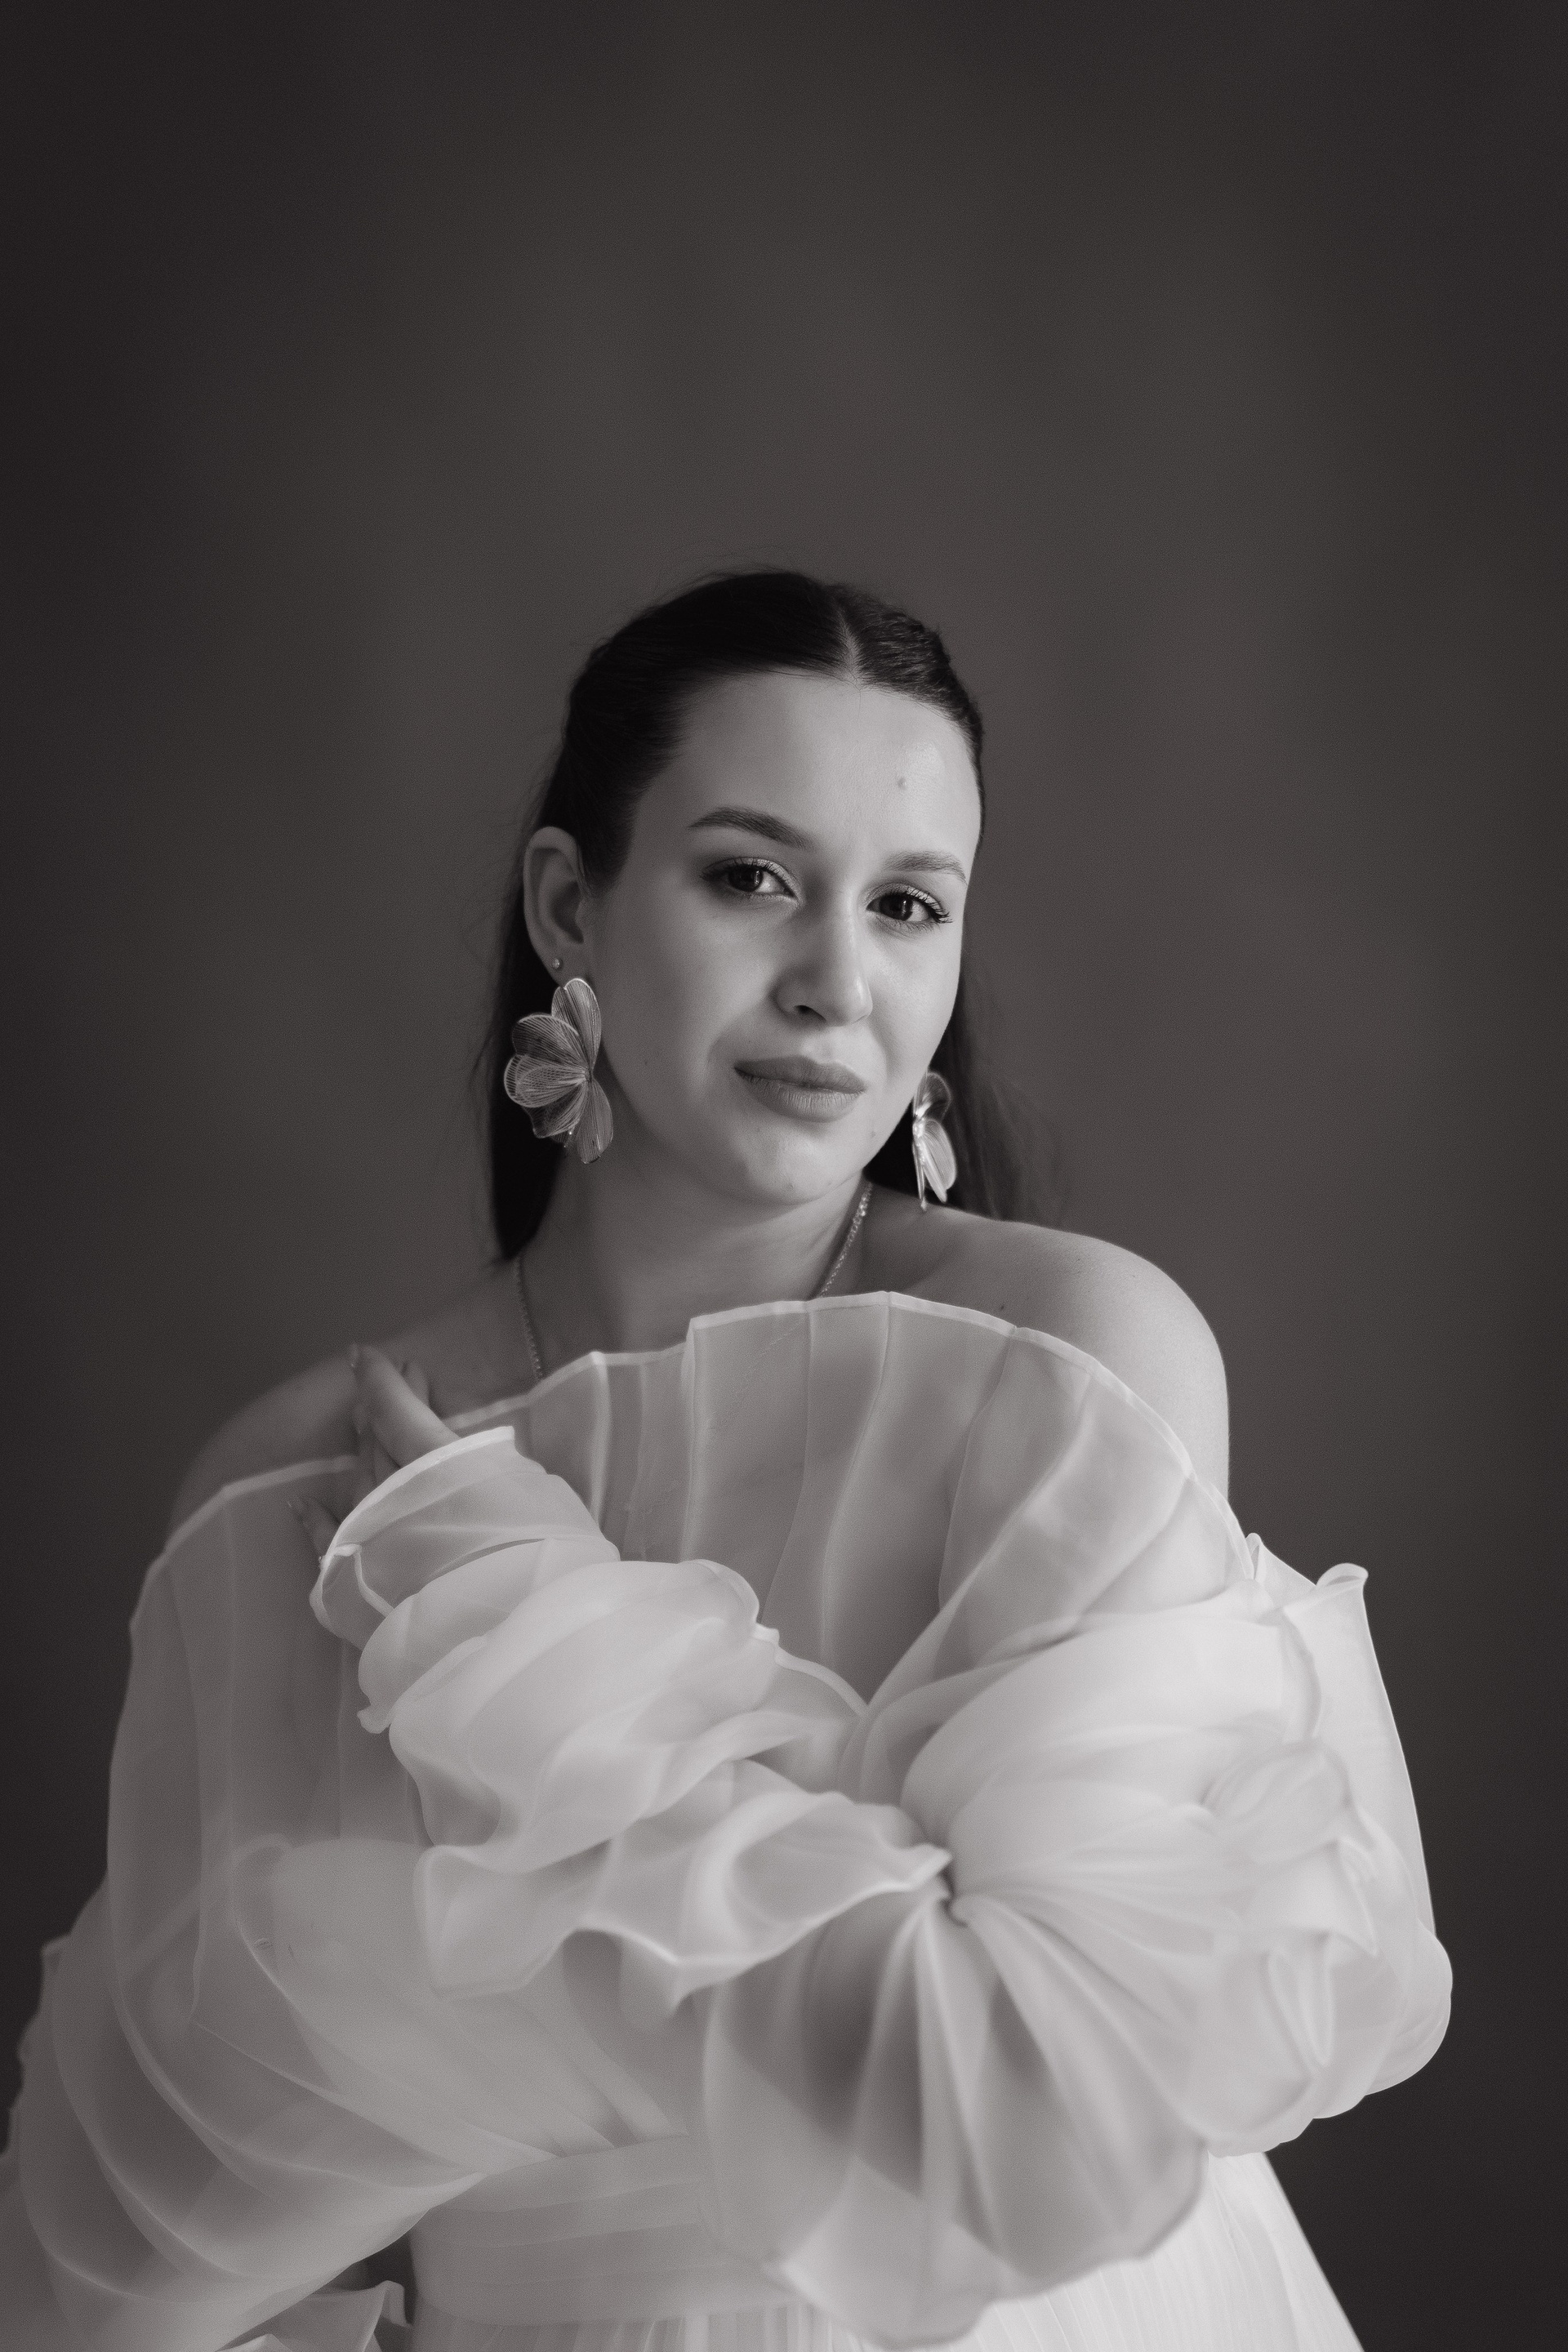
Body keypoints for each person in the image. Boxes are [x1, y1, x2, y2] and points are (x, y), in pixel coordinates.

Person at [0, 572, 1450, 2352]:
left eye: (908, 905)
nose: (838, 983)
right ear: (570, 904)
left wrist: (513, 1629)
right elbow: (131, 2253)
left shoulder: (1066, 1365)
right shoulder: (295, 1481)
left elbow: (1031, 2115)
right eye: (753, 877)